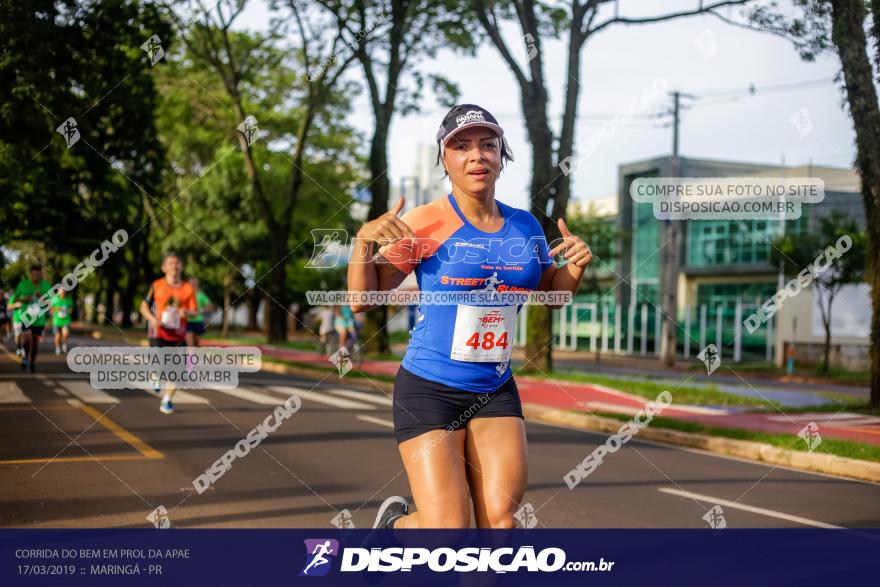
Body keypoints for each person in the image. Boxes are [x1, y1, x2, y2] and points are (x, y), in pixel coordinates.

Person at [348, 104, 592, 531]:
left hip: (494, 389)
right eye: (461, 146)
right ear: (445, 160)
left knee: (500, 524)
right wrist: (363, 243)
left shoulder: (526, 226)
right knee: (449, 531)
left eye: (488, 145)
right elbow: (362, 300)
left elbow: (552, 296)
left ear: (501, 157)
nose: (476, 155)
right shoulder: (425, 222)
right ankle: (392, 531)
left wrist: (576, 266)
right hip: (429, 389)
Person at [139, 253, 197, 414]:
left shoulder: (188, 288)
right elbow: (143, 306)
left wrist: (187, 312)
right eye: (170, 263)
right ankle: (155, 376)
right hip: (158, 332)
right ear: (164, 267)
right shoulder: (156, 285)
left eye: (177, 263)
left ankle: (166, 400)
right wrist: (152, 318)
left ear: (182, 267)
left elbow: (194, 312)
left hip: (178, 335)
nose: (174, 266)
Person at [13, 266, 52, 372]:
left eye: (37, 275)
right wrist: (24, 299)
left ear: (41, 275)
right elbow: (15, 298)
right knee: (27, 339)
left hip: (39, 319)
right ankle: (25, 358)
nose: (35, 277)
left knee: (35, 343)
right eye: (33, 275)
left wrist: (42, 299)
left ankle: (32, 362)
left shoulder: (46, 285)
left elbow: (50, 303)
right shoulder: (23, 284)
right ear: (30, 275)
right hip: (26, 317)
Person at [185, 277, 214, 348]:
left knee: (197, 345)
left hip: (198, 321)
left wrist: (201, 310)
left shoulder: (201, 295)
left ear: (197, 285)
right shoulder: (185, 295)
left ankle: (194, 358)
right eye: (190, 284)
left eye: (194, 284)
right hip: (187, 322)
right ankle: (190, 359)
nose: (192, 286)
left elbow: (211, 307)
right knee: (190, 344)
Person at [51, 289, 74, 354]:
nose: (63, 293)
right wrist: (57, 309)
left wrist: (70, 310)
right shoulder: (55, 299)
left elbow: (71, 308)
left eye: (64, 292)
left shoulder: (68, 300)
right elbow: (51, 309)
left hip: (66, 320)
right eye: (61, 292)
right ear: (59, 292)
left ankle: (64, 344)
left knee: (65, 333)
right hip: (56, 321)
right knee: (58, 335)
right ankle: (57, 347)